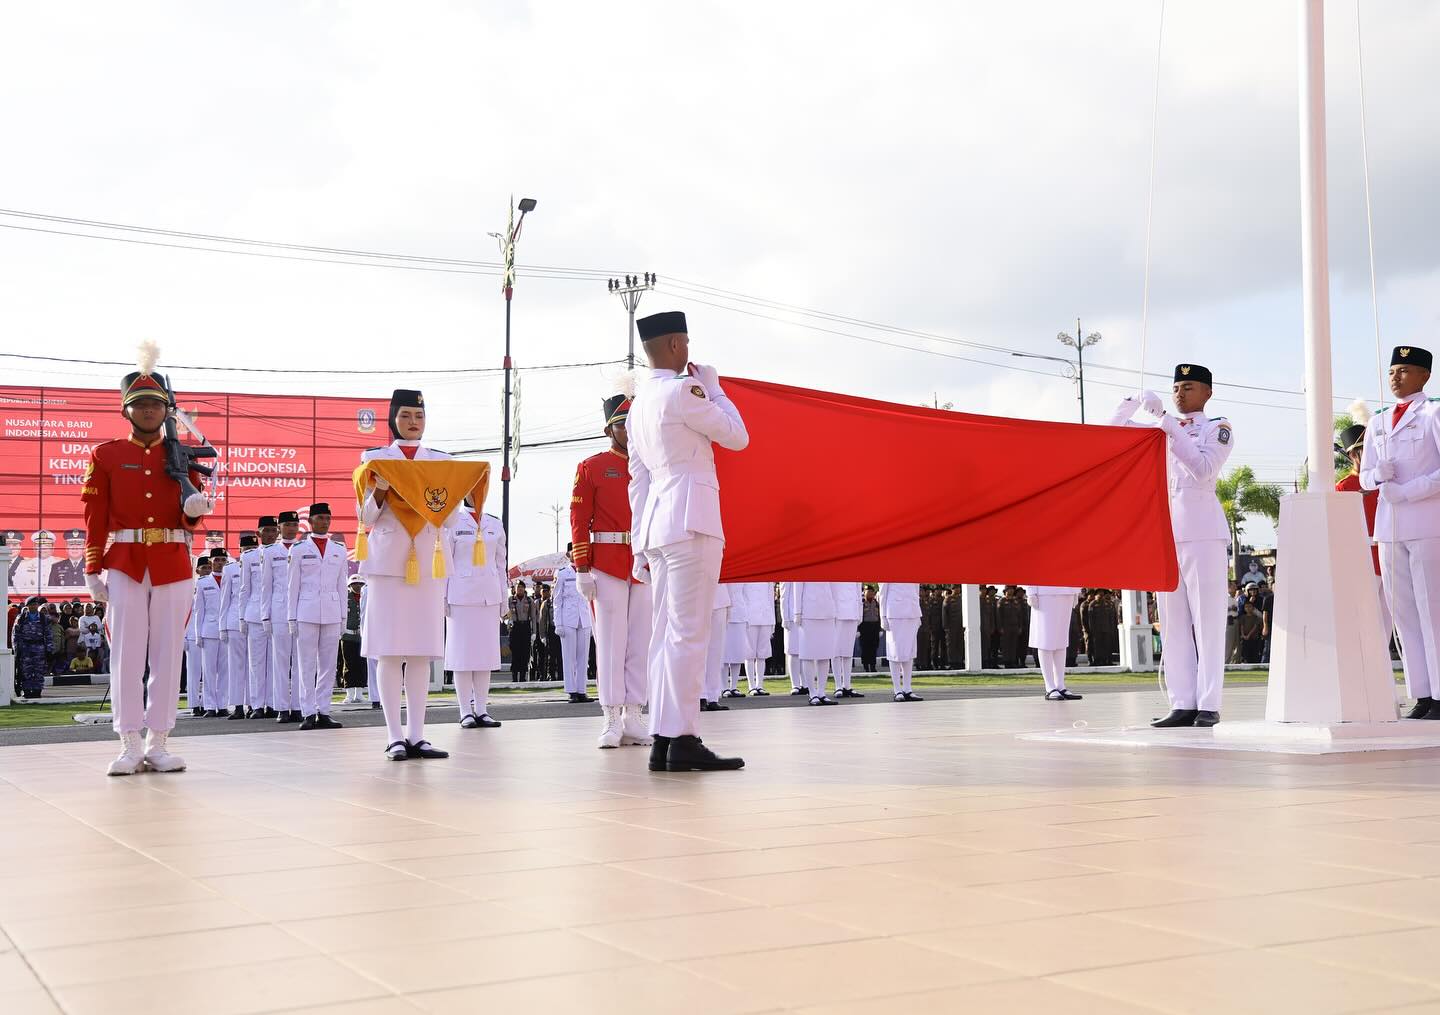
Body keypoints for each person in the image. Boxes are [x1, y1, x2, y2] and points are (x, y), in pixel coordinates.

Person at [626, 310, 749, 771]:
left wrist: (639, 542)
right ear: (677, 345)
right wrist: (715, 387)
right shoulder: (685, 390)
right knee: (689, 634)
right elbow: (737, 437)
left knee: (664, 636)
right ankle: (683, 738)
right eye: (687, 344)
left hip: (659, 524)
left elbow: (636, 481)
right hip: (691, 519)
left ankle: (664, 738)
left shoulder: (638, 403)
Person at [82, 348, 214, 773]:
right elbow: (94, 515)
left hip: (172, 561)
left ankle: (159, 741)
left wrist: (194, 511)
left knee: (168, 653)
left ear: (166, 409)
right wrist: (91, 568)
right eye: (140, 403)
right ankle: (128, 742)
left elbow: (188, 517)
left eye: (156, 403)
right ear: (127, 410)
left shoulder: (182, 454)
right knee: (126, 653)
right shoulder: (106, 454)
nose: (148, 410)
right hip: (124, 562)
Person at [1111, 363, 1234, 727]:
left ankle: (1209, 703)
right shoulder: (1161, 428)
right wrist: (1132, 400)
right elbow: (1113, 431)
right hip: (1167, 532)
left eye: (1190, 387)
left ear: (1207, 393)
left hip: (1204, 534)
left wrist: (1164, 419)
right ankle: (1182, 702)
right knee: (1173, 622)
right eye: (1177, 387)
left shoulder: (1218, 427)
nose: (1180, 393)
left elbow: (1203, 469)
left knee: (1208, 621)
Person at [358, 388, 455, 760]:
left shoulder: (441, 461)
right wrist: (380, 492)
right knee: (388, 650)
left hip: (429, 561)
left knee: (420, 652)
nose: (413, 423)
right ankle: (394, 735)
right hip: (387, 562)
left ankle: (417, 735)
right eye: (405, 416)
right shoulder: (374, 459)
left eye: (419, 416)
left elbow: (453, 516)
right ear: (392, 418)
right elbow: (366, 517)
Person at [1361, 346, 1440, 719]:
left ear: (1425, 375)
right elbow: (1365, 474)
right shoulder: (1378, 422)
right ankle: (1422, 694)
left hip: (1426, 522)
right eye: (1393, 370)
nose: (1396, 376)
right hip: (1390, 527)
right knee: (1404, 612)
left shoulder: (1433, 412)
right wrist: (1379, 476)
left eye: (1405, 370)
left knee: (1432, 610)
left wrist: (1408, 490)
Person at [572, 389, 654, 747]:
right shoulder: (591, 466)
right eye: (621, 424)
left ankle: (634, 714)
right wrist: (581, 567)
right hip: (606, 563)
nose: (628, 431)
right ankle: (610, 717)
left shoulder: (652, 465)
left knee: (640, 641)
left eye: (633, 423)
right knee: (610, 642)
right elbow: (579, 518)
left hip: (645, 561)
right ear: (610, 429)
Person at [446, 495, 508, 729]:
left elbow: (501, 564)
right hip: (460, 596)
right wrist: (443, 597)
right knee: (462, 657)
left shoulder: (494, 523)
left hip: (488, 596)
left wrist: (504, 597)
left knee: (485, 656)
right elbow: (445, 561)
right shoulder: (453, 522)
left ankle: (481, 709)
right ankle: (465, 711)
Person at [1336, 417, 1393, 663]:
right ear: (1353, 456)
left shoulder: (1385, 481)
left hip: (1387, 556)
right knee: (1364, 623)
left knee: (1386, 626)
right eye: (1361, 451)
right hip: (1361, 561)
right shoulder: (1343, 486)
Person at [288, 504, 348, 730]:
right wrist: (291, 617)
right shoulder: (299, 549)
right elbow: (292, 587)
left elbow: (342, 585)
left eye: (328, 518)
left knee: (328, 665)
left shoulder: (339, 549)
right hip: (306, 612)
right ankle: (308, 712)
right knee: (306, 664)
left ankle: (324, 710)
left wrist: (343, 616)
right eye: (320, 518)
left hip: (332, 612)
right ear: (311, 521)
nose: (325, 522)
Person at [261, 511, 302, 723]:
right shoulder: (270, 552)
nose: (291, 528)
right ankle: (282, 708)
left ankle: (297, 706)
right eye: (287, 524)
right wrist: (265, 616)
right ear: (280, 528)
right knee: (280, 661)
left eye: (295, 525)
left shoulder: (304, 548)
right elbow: (266, 586)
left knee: (300, 662)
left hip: (301, 611)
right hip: (278, 611)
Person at [239, 516, 277, 718]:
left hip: (276, 614)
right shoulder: (249, 557)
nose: (270, 534)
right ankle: (256, 705)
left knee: (275, 662)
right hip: (254, 614)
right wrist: (241, 617)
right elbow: (244, 589)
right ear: (258, 534)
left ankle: (272, 704)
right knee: (256, 663)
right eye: (267, 530)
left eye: (273, 530)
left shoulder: (284, 552)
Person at [782, 581, 838, 706]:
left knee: (825, 653)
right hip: (808, 611)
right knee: (808, 654)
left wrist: (835, 609)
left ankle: (821, 692)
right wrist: (797, 612)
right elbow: (798, 586)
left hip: (827, 610)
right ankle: (812, 693)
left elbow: (834, 587)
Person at [1024, 586, 1084, 700]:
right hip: (1044, 591)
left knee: (1061, 640)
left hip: (1067, 590)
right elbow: (1030, 568)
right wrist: (1031, 592)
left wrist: (1076, 590)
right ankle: (1050, 687)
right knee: (1045, 639)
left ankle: (1060, 685)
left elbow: (1074, 568)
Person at [552, 546, 594, 703]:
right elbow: (557, 600)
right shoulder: (562, 573)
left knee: (583, 657)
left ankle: (582, 690)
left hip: (584, 619)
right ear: (568, 554)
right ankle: (571, 691)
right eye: (573, 551)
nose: (575, 554)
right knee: (569, 657)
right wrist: (558, 623)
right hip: (567, 619)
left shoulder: (588, 571)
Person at [218, 535, 250, 718]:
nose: (248, 552)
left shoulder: (260, 565)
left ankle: (255, 705)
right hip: (234, 620)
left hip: (254, 620)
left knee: (255, 666)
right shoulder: (231, 570)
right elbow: (224, 600)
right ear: (239, 551)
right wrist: (222, 626)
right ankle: (238, 706)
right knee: (236, 666)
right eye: (245, 549)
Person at [195, 548, 228, 717]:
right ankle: (209, 705)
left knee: (224, 670)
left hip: (227, 629)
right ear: (210, 562)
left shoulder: (231, 578)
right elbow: (199, 610)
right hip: (208, 629)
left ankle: (222, 704)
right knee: (208, 670)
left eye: (223, 560)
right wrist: (198, 633)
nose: (220, 563)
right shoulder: (202, 583)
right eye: (217, 560)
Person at [879, 582, 923, 701]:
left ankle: (907, 688)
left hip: (912, 611)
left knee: (910, 652)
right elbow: (883, 593)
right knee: (895, 652)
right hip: (895, 612)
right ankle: (897, 689)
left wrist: (918, 614)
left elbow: (916, 590)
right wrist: (882, 616)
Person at [184, 557, 209, 714]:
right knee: (194, 672)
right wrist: (184, 637)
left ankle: (208, 703)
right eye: (204, 568)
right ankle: (194, 704)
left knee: (209, 672)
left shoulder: (214, 584)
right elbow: (183, 614)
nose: (207, 570)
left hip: (207, 633)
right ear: (197, 570)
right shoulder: (190, 587)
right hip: (192, 635)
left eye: (209, 567)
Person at [702, 581, 731, 711]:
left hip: (720, 599)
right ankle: (700, 695)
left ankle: (713, 696)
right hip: (698, 598)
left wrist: (730, 604)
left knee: (716, 652)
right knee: (699, 651)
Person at [832, 582, 864, 698]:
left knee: (848, 653)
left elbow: (858, 593)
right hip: (838, 613)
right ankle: (838, 686)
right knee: (835, 651)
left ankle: (847, 685)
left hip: (852, 612)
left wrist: (860, 614)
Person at [14, 597, 49, 699]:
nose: (33, 606)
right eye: (31, 604)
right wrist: (16, 648)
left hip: (39, 647)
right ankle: (27, 690)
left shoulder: (43, 618)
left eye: (35, 604)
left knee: (38, 670)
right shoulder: (21, 618)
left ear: (38, 605)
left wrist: (49, 648)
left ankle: (37, 691)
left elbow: (48, 633)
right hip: (25, 647)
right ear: (27, 606)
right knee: (26, 670)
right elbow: (15, 634)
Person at [340, 575, 367, 703]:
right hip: (348, 635)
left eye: (360, 584)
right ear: (349, 586)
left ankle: (359, 693)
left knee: (362, 664)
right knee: (349, 664)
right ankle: (349, 693)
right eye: (355, 584)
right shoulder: (345, 598)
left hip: (362, 636)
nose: (358, 586)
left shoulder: (366, 597)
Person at [506, 581, 534, 681]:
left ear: (524, 588)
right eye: (518, 587)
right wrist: (507, 622)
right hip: (515, 628)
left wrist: (533, 632)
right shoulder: (510, 599)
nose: (520, 589)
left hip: (525, 627)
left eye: (522, 587)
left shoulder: (529, 600)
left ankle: (522, 677)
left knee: (524, 653)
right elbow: (506, 614)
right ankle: (514, 677)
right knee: (515, 652)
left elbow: (533, 617)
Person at [858, 586, 881, 673]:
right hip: (865, 627)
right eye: (868, 591)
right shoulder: (862, 603)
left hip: (874, 627)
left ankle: (873, 666)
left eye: (872, 591)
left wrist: (880, 629)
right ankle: (866, 666)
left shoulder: (877, 603)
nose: (870, 593)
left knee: (874, 647)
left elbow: (879, 616)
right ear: (864, 592)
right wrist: (859, 629)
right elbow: (859, 616)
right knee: (865, 647)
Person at [533, 583, 554, 680]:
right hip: (539, 629)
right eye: (543, 591)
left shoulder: (551, 602)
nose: (544, 593)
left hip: (549, 628)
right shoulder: (536, 602)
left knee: (551, 653)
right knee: (540, 654)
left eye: (546, 591)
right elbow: (534, 617)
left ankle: (551, 674)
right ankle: (541, 674)